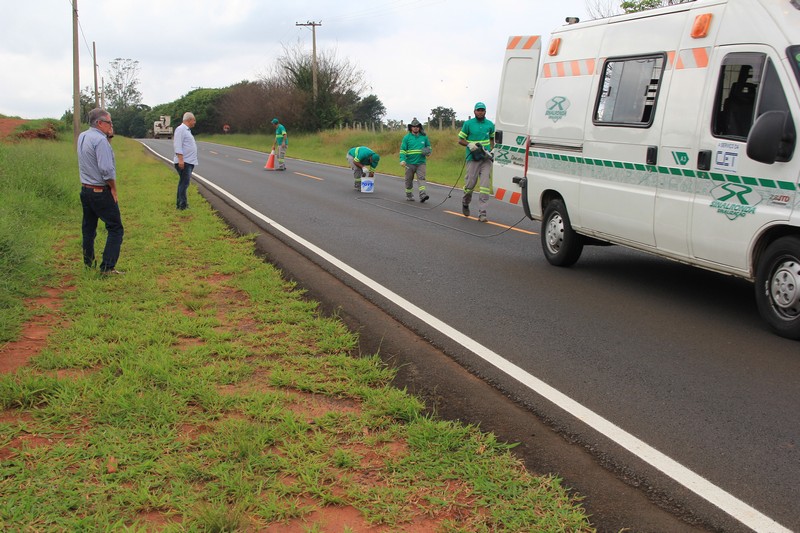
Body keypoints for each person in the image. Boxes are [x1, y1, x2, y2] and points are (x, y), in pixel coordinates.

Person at [77, 108, 124, 275]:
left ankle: (88, 263)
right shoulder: (100, 141)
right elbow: (106, 170)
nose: (111, 126)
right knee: (115, 228)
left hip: (86, 189)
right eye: (109, 123)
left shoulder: (83, 136)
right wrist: (114, 189)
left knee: (88, 229)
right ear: (100, 123)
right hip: (100, 191)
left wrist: (108, 137)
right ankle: (107, 267)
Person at [457, 102, 495, 222]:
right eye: (478, 110)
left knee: (484, 186)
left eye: (482, 110)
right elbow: (460, 140)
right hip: (472, 158)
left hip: (486, 159)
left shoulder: (490, 124)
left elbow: (493, 138)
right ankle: (465, 202)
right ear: (474, 111)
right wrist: (469, 144)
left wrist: (493, 150)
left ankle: (482, 213)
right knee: (470, 185)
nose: (480, 112)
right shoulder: (468, 124)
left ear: (485, 112)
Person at [399, 118, 432, 202]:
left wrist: (428, 152)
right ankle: (409, 195)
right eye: (414, 127)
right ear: (411, 128)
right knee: (408, 179)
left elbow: (429, 147)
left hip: (421, 163)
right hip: (409, 163)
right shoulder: (406, 138)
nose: (415, 128)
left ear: (419, 127)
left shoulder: (424, 137)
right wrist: (402, 160)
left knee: (421, 178)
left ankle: (423, 195)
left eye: (417, 126)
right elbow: (403, 150)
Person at [173, 112, 198, 210]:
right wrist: (181, 160)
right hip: (185, 161)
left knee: (183, 183)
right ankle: (182, 205)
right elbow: (177, 145)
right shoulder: (181, 129)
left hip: (189, 161)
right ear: (189, 120)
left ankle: (180, 203)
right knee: (184, 183)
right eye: (194, 120)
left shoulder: (187, 130)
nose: (194, 122)